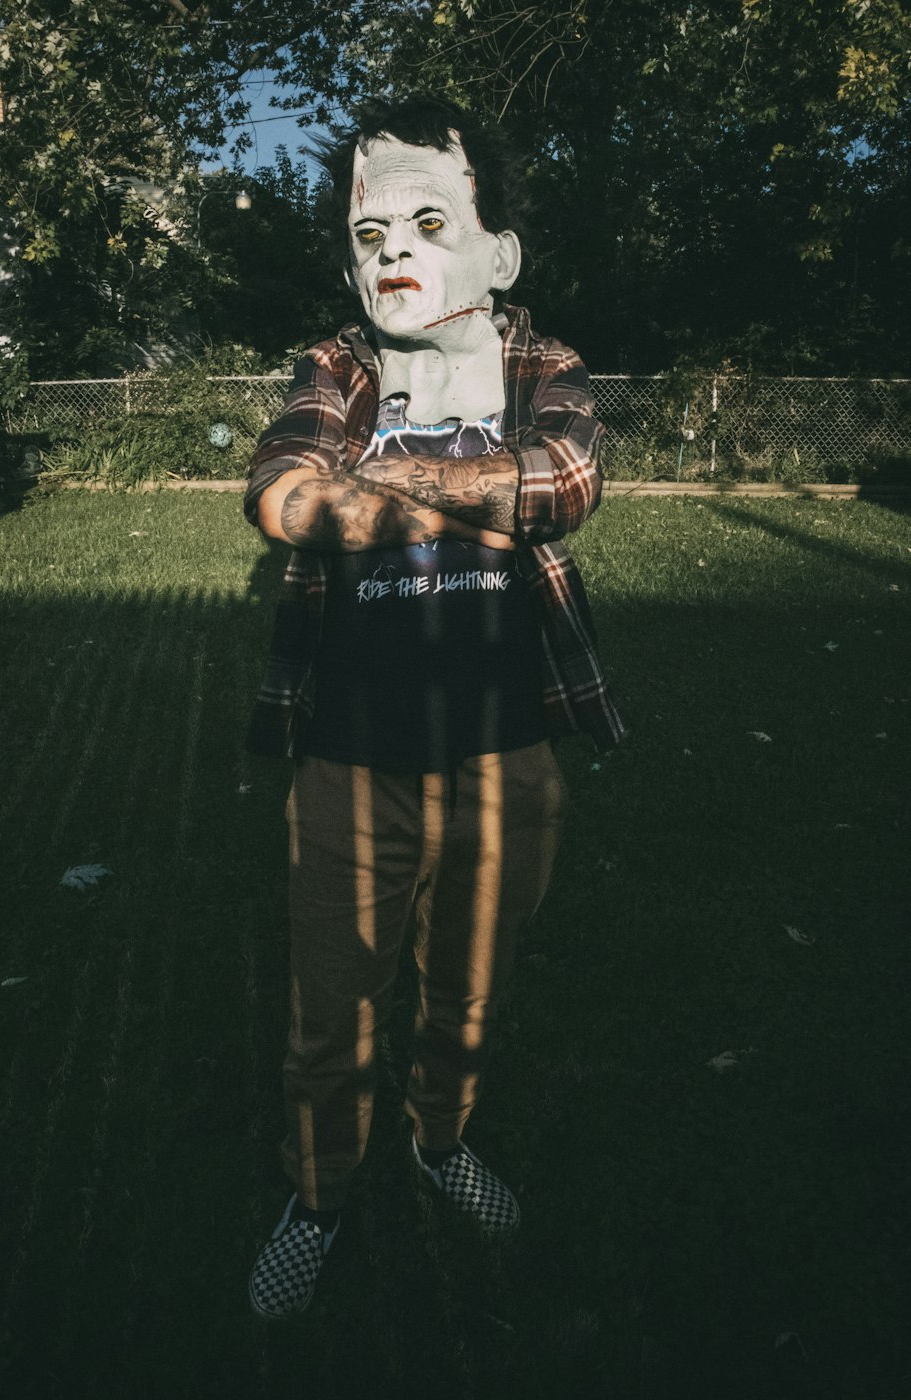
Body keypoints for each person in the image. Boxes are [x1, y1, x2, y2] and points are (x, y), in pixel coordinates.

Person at [243, 95, 625, 1320]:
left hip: (506, 751)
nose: (391, 249)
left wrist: (394, 476)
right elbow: (282, 495)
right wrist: (472, 494)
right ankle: (318, 1193)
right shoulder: (338, 370)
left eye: (425, 218)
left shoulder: (538, 366)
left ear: (497, 253)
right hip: (348, 752)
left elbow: (566, 478)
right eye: (368, 232)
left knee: (466, 990)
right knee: (328, 1004)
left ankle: (440, 1138)